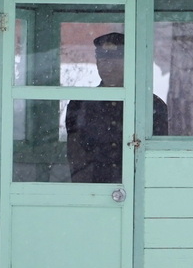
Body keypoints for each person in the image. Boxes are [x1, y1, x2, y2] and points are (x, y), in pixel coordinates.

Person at [65, 32, 168, 183]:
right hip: (94, 188)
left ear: (129, 62)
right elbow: (76, 155)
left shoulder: (151, 105)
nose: (108, 67)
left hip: (136, 188)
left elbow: (157, 157)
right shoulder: (80, 104)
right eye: (102, 60)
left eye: (115, 61)